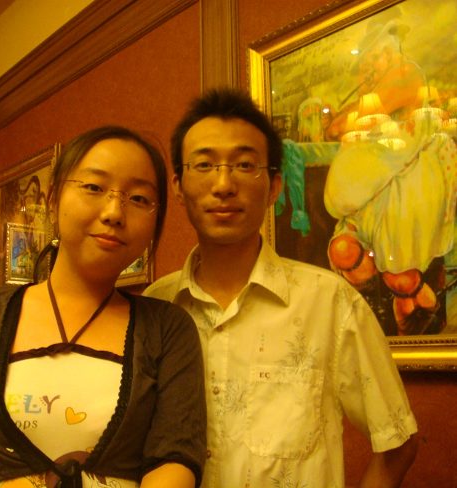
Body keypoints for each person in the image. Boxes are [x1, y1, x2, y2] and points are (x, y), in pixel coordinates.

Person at [144, 88, 418, 488]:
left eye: (244, 164)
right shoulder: (155, 307)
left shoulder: (330, 302)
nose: (223, 184)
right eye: (204, 164)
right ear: (178, 186)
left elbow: (398, 441)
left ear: (274, 187)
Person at [0, 126, 207, 488]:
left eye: (140, 198)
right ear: (53, 200)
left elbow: (175, 459)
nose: (114, 212)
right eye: (94, 187)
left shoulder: (168, 327)